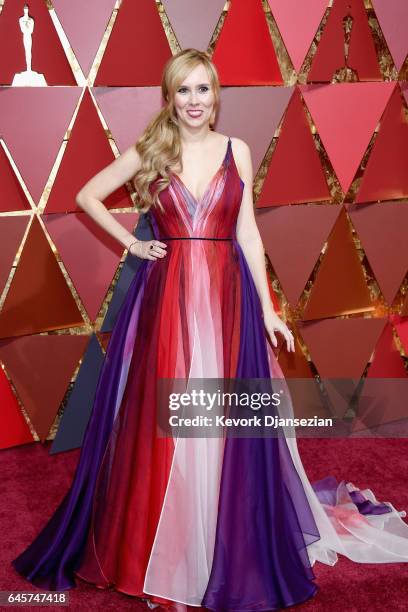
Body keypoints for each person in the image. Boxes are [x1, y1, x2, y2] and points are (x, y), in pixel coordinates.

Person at [12, 48, 408, 611]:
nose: (194, 101)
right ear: (169, 97)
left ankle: (217, 548)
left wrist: (269, 308)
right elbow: (85, 196)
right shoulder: (152, 150)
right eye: (184, 91)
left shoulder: (236, 151)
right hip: (168, 298)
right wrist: (131, 243)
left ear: (215, 94)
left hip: (227, 298)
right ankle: (166, 555)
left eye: (203, 90)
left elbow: (246, 232)